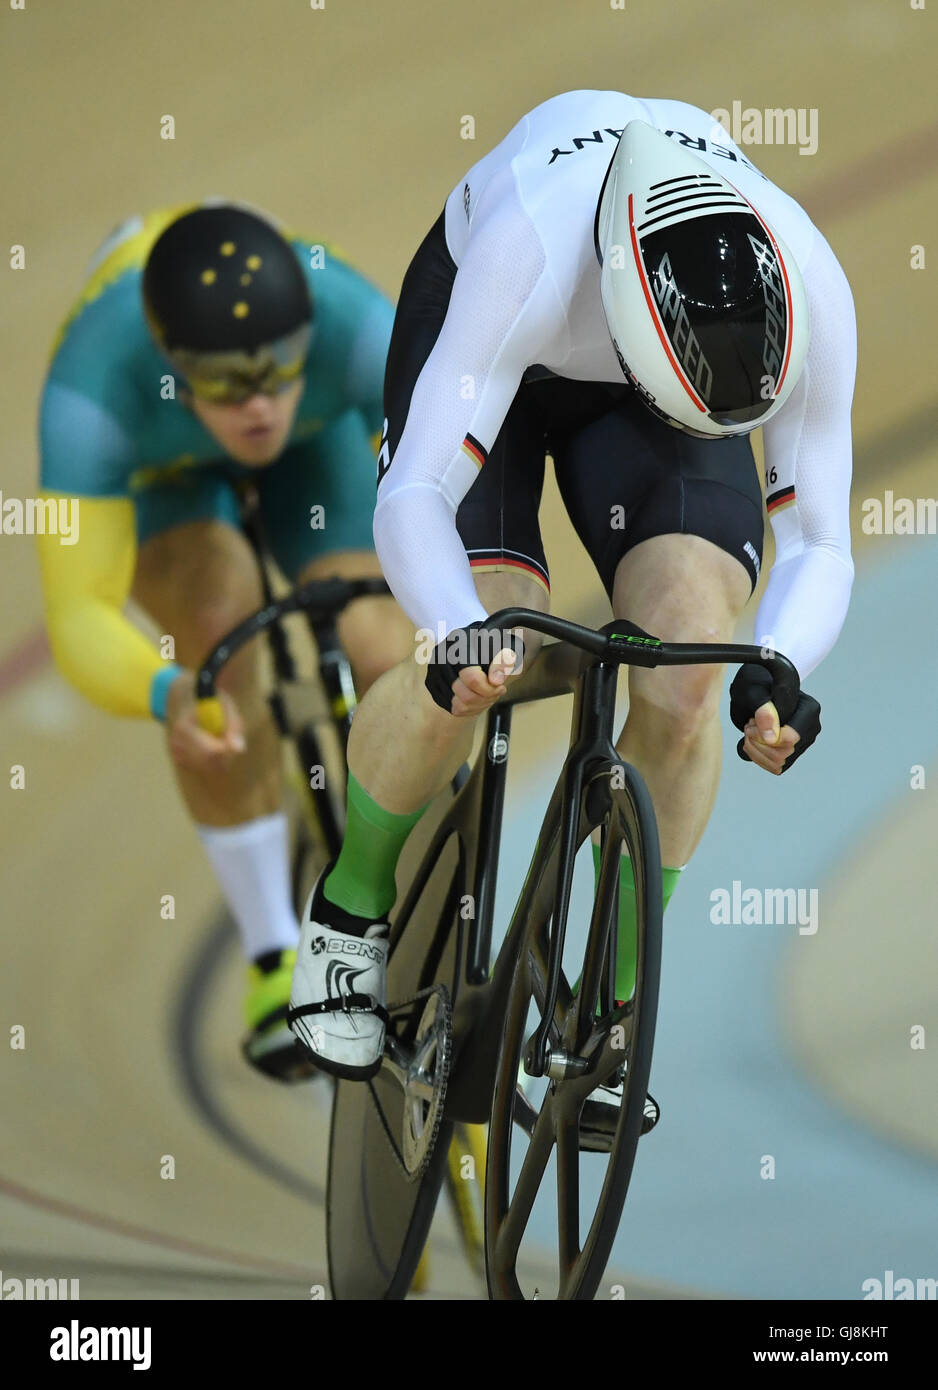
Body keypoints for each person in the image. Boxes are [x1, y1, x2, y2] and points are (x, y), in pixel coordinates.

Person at [286, 93, 857, 1124]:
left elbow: (818, 540)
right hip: (506, 330)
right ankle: (349, 907)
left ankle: (610, 1008)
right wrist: (455, 626)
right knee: (489, 624)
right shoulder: (524, 256)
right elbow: (412, 493)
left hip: (661, 377)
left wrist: (773, 665)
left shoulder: (808, 278)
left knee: (687, 666)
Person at [36, 202, 413, 1079]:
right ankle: (275, 953)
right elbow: (79, 615)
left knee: (388, 648)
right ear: (170, 363)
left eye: (280, 370)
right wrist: (170, 695)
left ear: (308, 337)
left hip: (320, 456)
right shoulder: (92, 384)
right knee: (215, 642)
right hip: (166, 481)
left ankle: (417, 873)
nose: (257, 403)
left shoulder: (359, 325)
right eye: (224, 381)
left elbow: (440, 486)